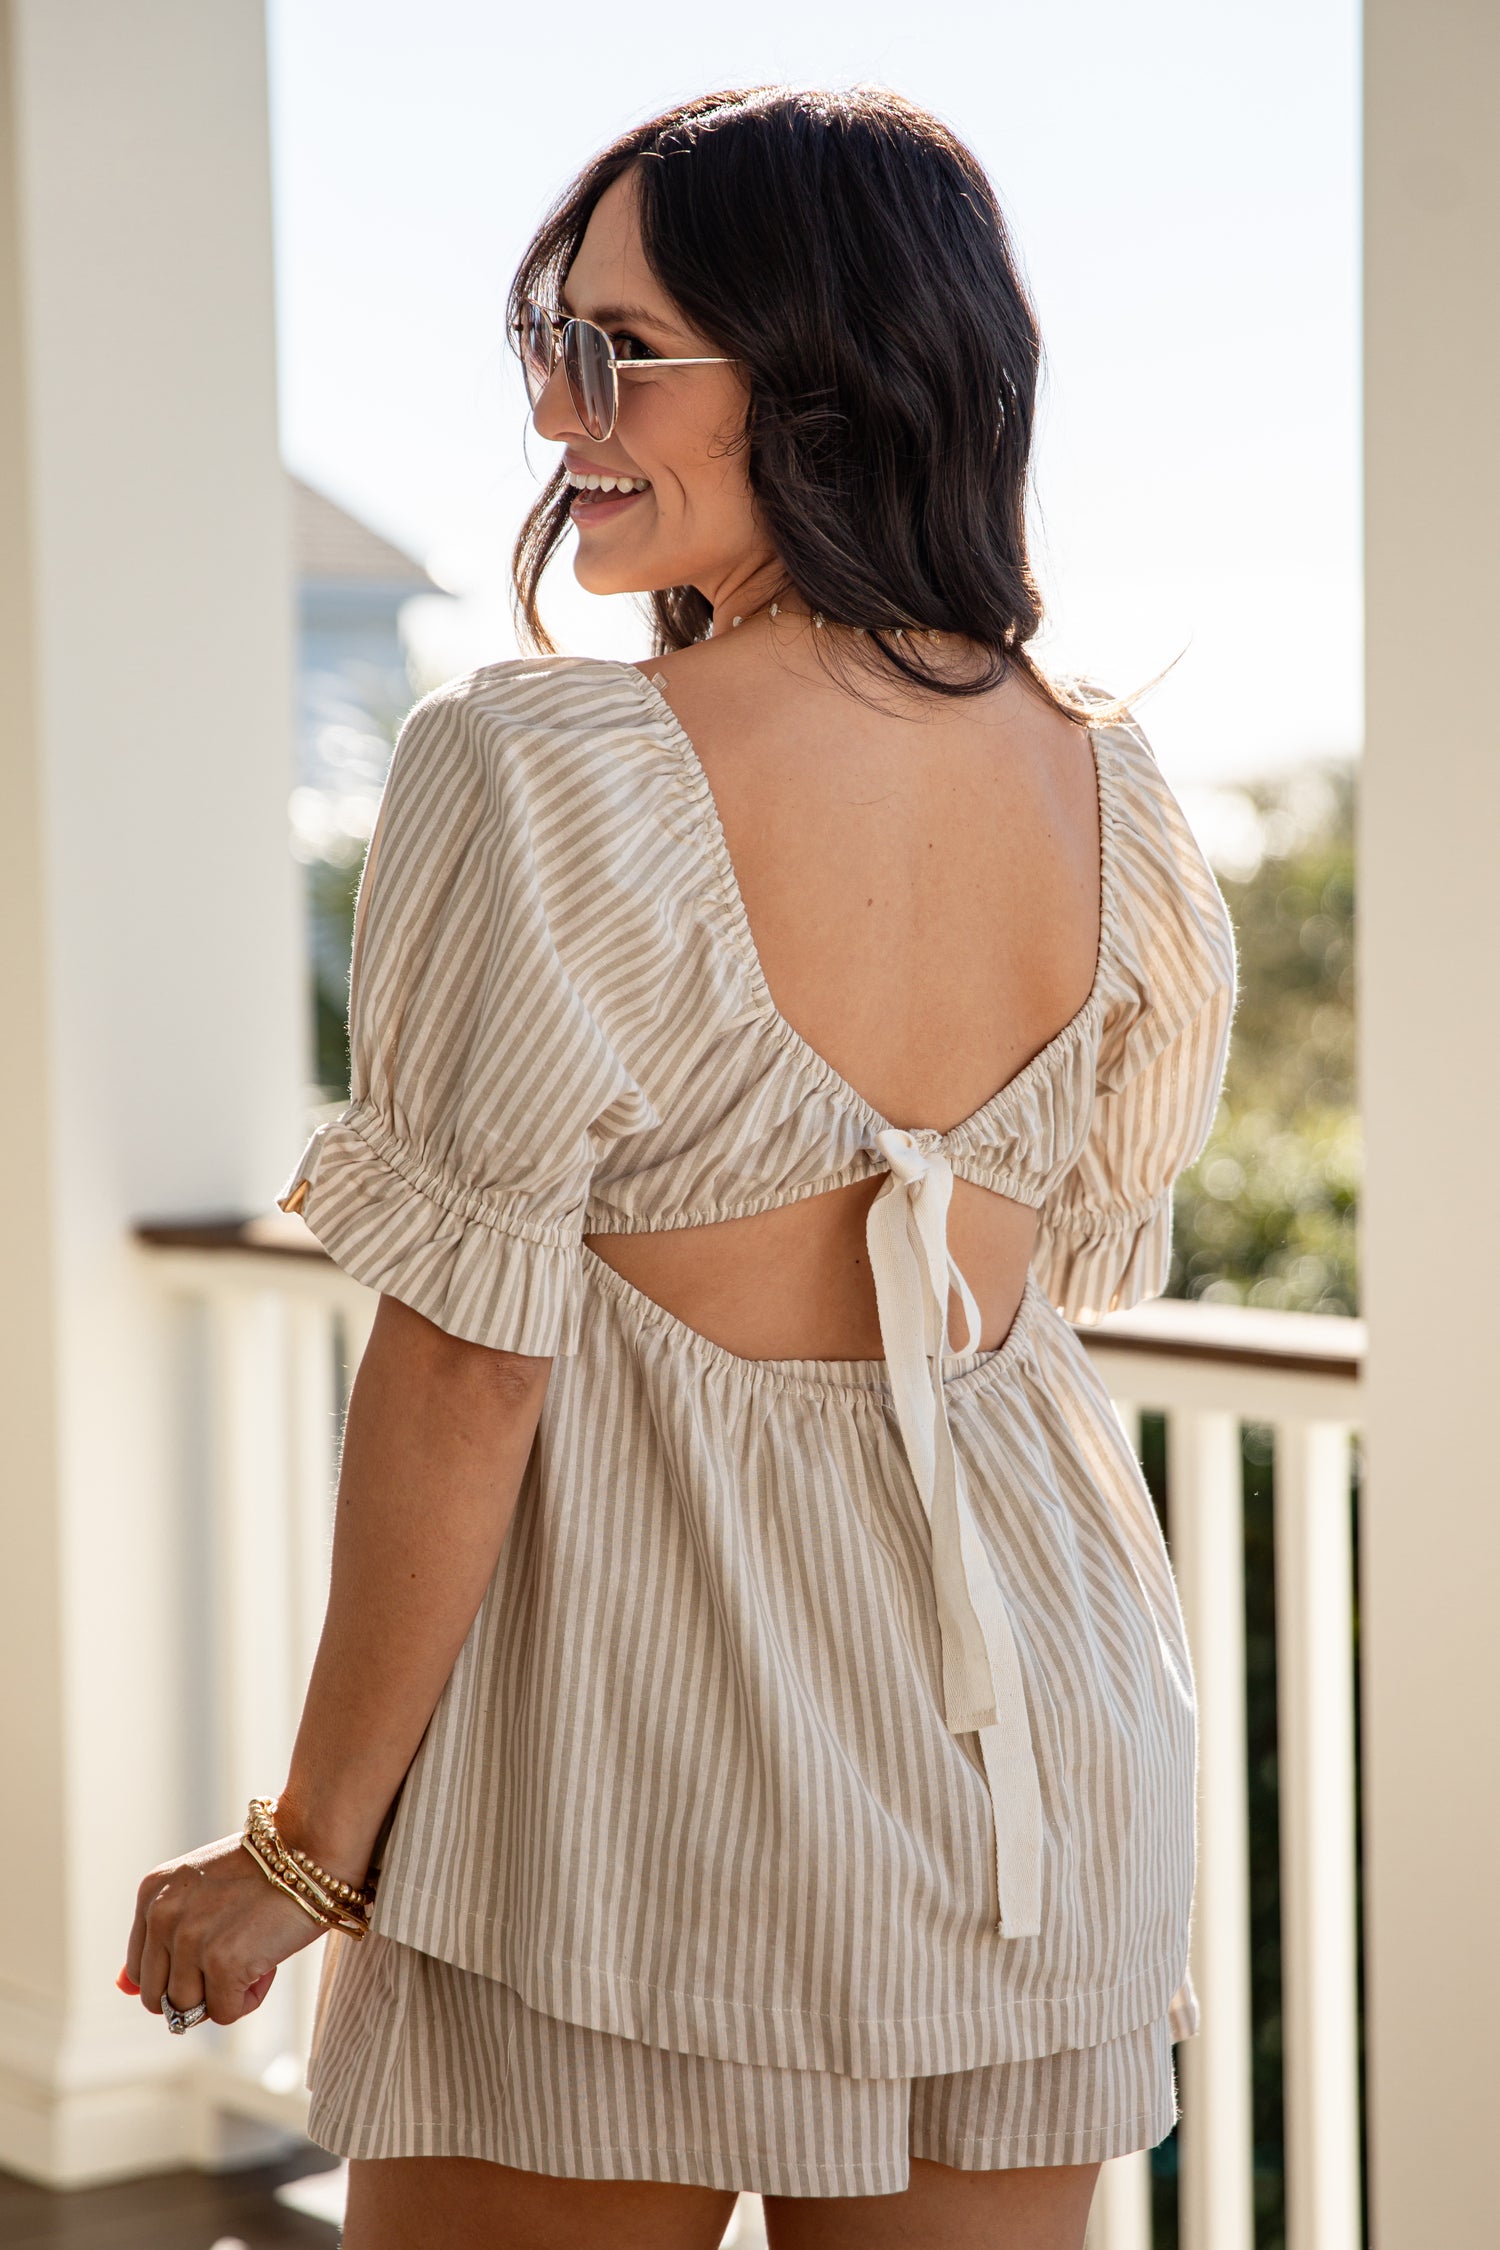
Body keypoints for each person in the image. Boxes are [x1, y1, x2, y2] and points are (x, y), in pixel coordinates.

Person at [122, 84, 1238, 2250]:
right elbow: (1038, 1306)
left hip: (642, 1774)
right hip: (1049, 1765)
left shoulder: (544, 772)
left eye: (623, 350)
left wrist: (298, 1856)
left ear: (825, 369)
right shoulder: (1115, 791)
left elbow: (470, 1373)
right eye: (555, 338)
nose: (559, 409)